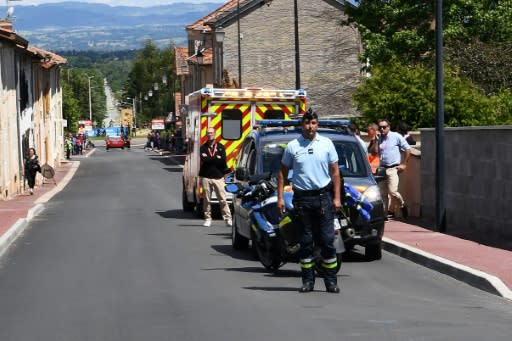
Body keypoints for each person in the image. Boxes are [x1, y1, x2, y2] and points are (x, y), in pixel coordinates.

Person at [277, 109, 342, 294]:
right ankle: (308, 281)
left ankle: (331, 282)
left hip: (323, 199)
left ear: (317, 124)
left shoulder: (327, 144)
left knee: (328, 240)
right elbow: (282, 173)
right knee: (306, 242)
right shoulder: (293, 146)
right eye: (307, 123)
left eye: (313, 123)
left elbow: (335, 172)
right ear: (302, 125)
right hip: (302, 199)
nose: (310, 126)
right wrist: (281, 198)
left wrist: (337, 198)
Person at [199, 127, 232, 228]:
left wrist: (211, 159)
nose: (210, 135)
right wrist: (215, 158)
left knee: (222, 199)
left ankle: (228, 219)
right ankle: (208, 218)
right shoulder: (203, 147)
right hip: (206, 177)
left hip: (218, 177)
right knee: (207, 199)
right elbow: (204, 159)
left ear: (215, 134)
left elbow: (222, 161)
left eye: (211, 133)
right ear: (206, 135)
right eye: (208, 133)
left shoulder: (221, 147)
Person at [377, 119, 411, 219]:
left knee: (393, 192)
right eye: (380, 127)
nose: (382, 129)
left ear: (389, 127)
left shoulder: (396, 136)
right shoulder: (379, 139)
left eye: (384, 127)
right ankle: (385, 214)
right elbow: (377, 152)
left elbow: (407, 149)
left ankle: (402, 205)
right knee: (383, 194)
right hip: (383, 168)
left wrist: (404, 164)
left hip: (393, 168)